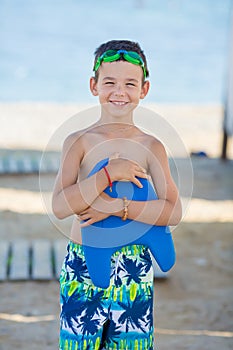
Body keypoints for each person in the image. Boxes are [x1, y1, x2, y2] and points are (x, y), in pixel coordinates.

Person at [52, 39, 182, 350]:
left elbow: (172, 212)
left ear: (144, 89)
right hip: (82, 263)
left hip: (134, 267)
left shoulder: (152, 147)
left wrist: (115, 208)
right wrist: (109, 174)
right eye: (109, 82)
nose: (119, 92)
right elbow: (59, 206)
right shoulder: (78, 142)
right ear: (93, 85)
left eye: (130, 84)